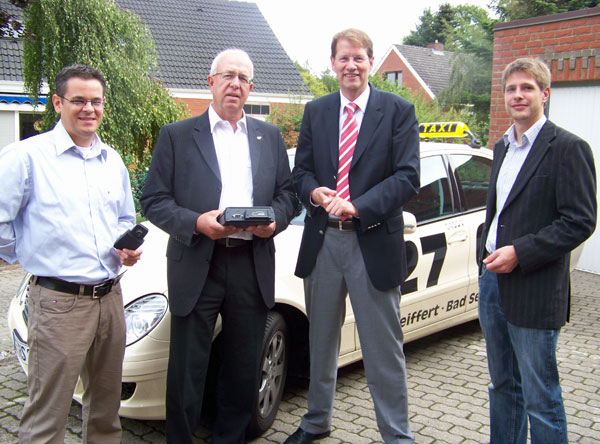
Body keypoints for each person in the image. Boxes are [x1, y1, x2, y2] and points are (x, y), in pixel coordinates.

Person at [140, 48, 297, 444]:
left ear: (251, 88)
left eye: (244, 79)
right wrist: (195, 222)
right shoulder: (177, 136)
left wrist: (275, 221)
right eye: (228, 76)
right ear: (210, 82)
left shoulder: (269, 136)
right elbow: (154, 199)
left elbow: (288, 195)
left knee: (243, 366)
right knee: (187, 369)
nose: (236, 85)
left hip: (251, 261)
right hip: (197, 261)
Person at [284, 29, 420, 444]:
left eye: (359, 58)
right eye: (344, 58)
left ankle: (397, 436)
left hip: (372, 241)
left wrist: (359, 205)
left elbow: (408, 177)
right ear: (333, 63)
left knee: (383, 349)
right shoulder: (318, 111)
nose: (351, 66)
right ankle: (316, 422)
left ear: (370, 62)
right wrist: (314, 192)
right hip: (324, 241)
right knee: (320, 341)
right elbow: (300, 173)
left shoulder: (398, 110)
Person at [0, 64, 142, 443]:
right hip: (59, 303)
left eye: (96, 101)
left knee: (106, 410)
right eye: (78, 100)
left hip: (110, 299)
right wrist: (27, 253)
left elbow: (124, 217)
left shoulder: (112, 160)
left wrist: (122, 248)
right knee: (47, 414)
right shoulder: (26, 157)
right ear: (58, 102)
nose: (88, 109)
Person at [478, 57, 596, 444]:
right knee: (503, 386)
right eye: (511, 88)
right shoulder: (501, 147)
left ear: (545, 94)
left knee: (540, 396)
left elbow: (579, 221)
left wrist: (520, 252)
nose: (518, 95)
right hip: (493, 283)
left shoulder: (568, 148)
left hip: (534, 286)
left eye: (527, 87)